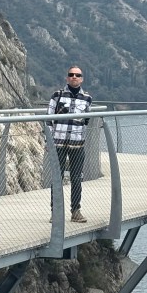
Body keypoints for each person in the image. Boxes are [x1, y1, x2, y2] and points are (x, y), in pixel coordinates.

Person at [48, 66, 92, 222]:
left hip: (77, 143)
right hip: (58, 143)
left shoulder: (87, 98)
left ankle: (76, 211)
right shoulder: (57, 95)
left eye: (77, 75)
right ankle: (56, 212)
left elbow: (86, 120)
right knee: (57, 178)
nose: (74, 77)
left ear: (82, 79)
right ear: (67, 78)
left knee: (76, 178)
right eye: (71, 75)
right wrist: (49, 140)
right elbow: (49, 119)